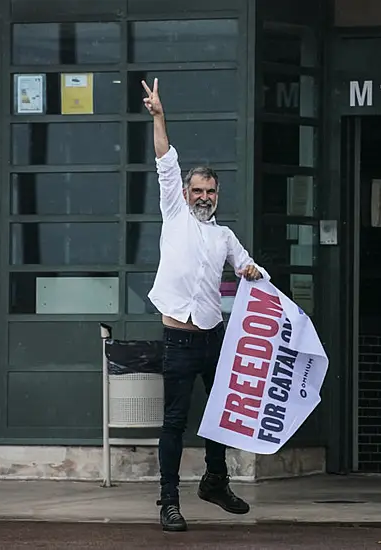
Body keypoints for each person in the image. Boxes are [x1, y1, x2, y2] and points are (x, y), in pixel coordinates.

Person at [142, 78, 269, 532]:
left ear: (217, 194)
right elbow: (165, 161)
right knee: (174, 421)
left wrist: (253, 272)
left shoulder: (223, 235)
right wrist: (159, 115)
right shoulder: (174, 213)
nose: (203, 197)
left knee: (219, 417)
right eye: (197, 190)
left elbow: (248, 267)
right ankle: (169, 502)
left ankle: (216, 481)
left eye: (210, 191)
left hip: (213, 336)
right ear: (187, 192)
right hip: (178, 337)